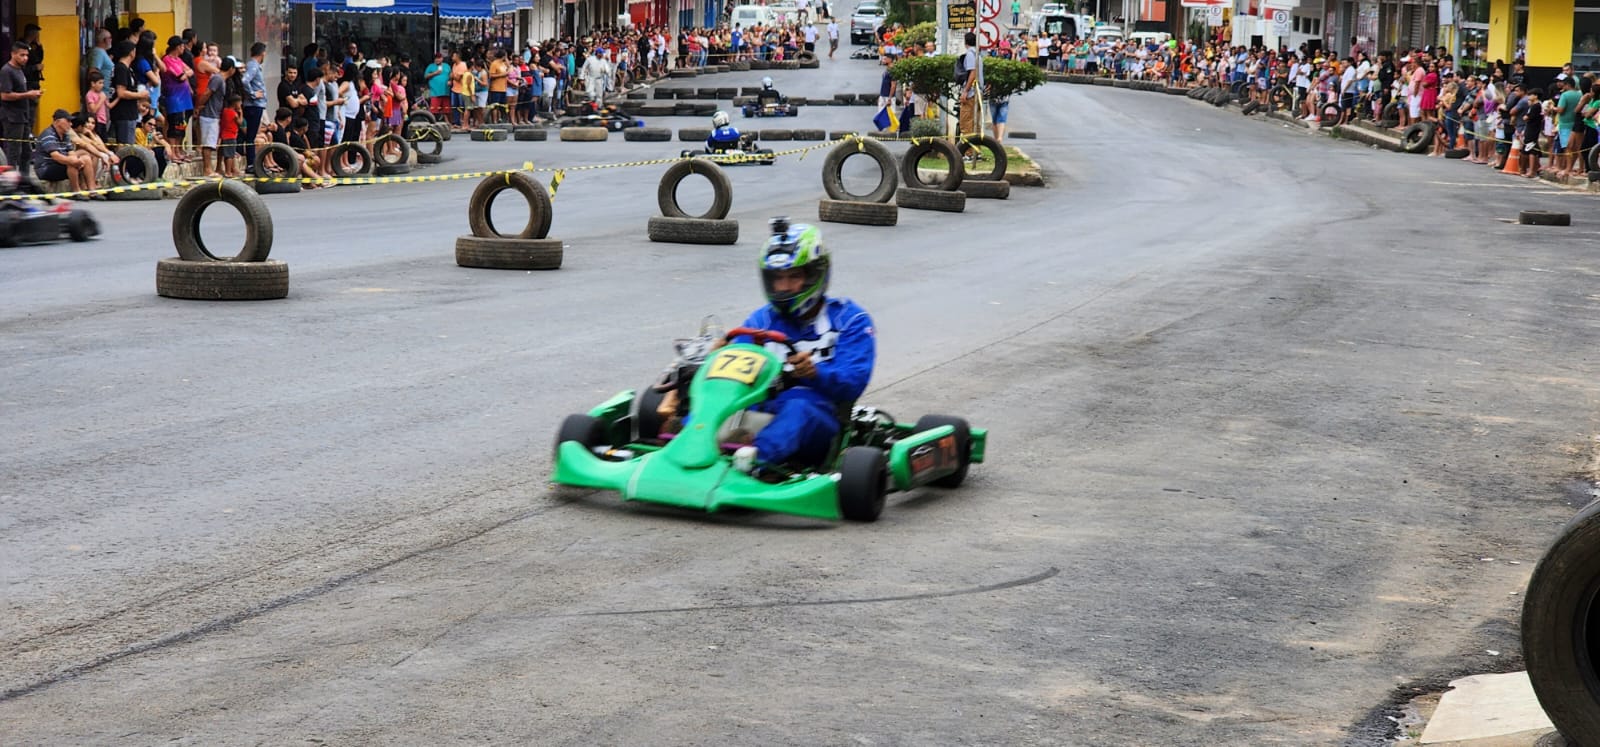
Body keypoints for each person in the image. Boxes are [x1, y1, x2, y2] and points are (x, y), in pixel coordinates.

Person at [721, 218, 875, 473]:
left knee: (798, 406)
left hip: (820, 421)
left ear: (815, 274)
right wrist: (719, 357)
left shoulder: (850, 320)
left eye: (794, 277)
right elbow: (737, 371)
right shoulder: (761, 320)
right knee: (718, 397)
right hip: (759, 412)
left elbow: (853, 382)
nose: (784, 287)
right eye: (777, 278)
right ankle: (685, 444)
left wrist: (815, 373)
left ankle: (753, 463)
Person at [33, 109, 95, 194]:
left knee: (86, 158)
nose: (71, 124)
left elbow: (71, 151)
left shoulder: (65, 135)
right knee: (71, 163)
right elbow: (56, 156)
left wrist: (77, 160)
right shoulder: (48, 134)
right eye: (68, 121)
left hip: (60, 165)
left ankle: (92, 190)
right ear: (58, 121)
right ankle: (76, 191)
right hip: (46, 168)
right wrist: (73, 161)